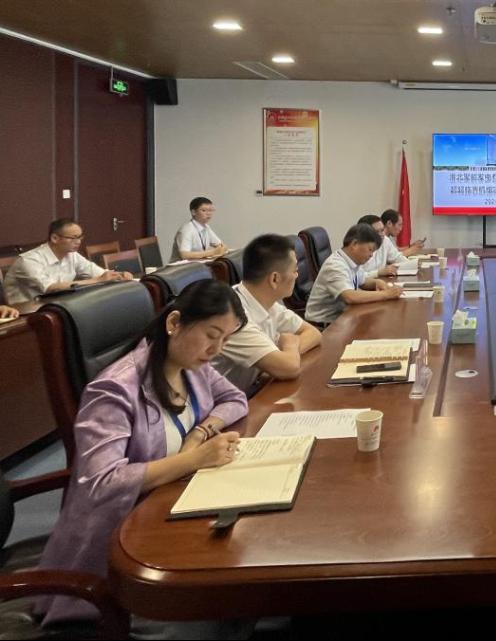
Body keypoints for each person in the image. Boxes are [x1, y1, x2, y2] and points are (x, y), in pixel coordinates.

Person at [35, 279, 250, 632]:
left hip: (171, 512)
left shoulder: (192, 368)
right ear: (174, 323)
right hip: (122, 548)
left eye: (226, 339)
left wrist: (199, 433)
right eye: (212, 335)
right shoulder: (114, 389)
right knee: (222, 603)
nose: (216, 350)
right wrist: (193, 459)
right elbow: (102, 482)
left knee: (242, 571)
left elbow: (235, 399)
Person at [213, 234, 322, 394]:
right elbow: (289, 368)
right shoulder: (232, 315)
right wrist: (289, 345)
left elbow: (314, 333)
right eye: (295, 270)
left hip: (252, 390)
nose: (297, 276)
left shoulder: (264, 300)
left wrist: (284, 355)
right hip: (224, 402)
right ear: (274, 279)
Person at [2, 218, 132, 304]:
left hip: (56, 305)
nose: (78, 242)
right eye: (73, 238)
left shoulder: (72, 255)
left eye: (80, 237)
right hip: (24, 313)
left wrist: (118, 275)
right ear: (55, 238)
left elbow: (98, 272)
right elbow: (50, 288)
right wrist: (97, 280)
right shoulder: (29, 260)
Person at [305, 223, 403, 325]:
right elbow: (350, 297)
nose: (371, 255)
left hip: (342, 317)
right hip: (323, 325)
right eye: (370, 249)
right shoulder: (335, 265)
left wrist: (377, 282)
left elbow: (363, 282)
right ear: (355, 244)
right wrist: (386, 294)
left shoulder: (352, 260)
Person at [170, 196, 227, 261]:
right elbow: (184, 255)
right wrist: (212, 252)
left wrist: (221, 248)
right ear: (193, 212)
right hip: (181, 266)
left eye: (210, 210)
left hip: (198, 264)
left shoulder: (206, 227)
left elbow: (221, 245)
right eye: (204, 210)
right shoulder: (186, 230)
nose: (208, 213)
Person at [358, 214, 404, 278]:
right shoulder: (358, 248)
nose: (381, 234)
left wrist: (414, 264)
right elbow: (356, 277)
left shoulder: (385, 240)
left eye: (382, 230)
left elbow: (398, 258)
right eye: (376, 232)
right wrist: (378, 273)